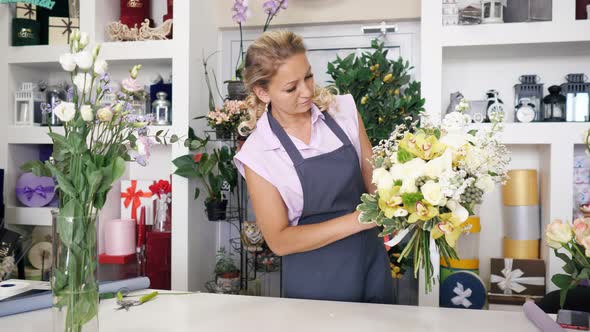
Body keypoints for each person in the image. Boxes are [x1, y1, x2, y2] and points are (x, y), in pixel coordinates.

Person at [233, 30, 393, 304]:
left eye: (308, 76)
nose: (307, 91)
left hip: (372, 264)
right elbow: (280, 241)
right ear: (262, 92)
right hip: (315, 281)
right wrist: (361, 219)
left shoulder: (343, 111)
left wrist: (412, 198)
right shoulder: (258, 153)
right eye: (291, 87)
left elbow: (374, 181)